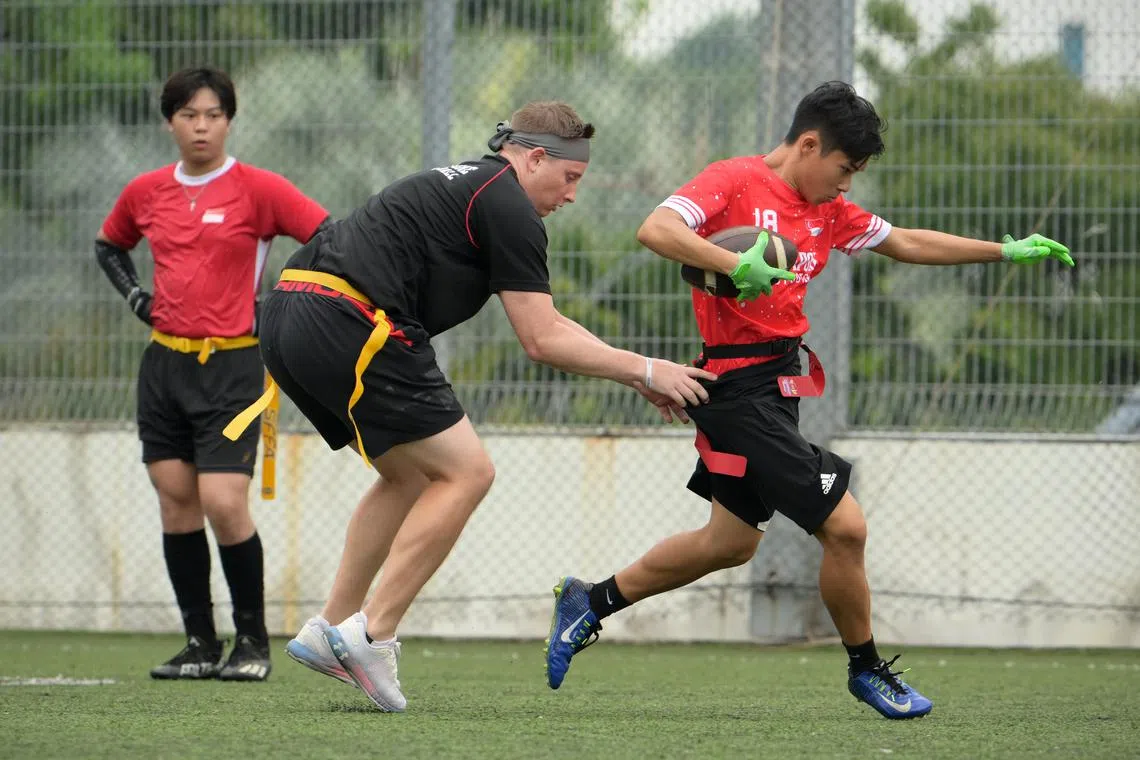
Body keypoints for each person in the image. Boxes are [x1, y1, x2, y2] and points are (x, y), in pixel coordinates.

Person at [543, 81, 1073, 719]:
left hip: (776, 384)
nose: (846, 185)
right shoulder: (733, 180)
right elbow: (656, 228)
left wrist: (1004, 250)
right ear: (810, 144)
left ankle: (589, 601)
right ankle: (867, 669)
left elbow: (904, 242)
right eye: (844, 169)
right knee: (846, 527)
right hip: (737, 392)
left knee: (729, 542)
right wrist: (731, 265)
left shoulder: (830, 211)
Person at [232, 101, 715, 712]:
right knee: (469, 473)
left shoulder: (478, 186)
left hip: (291, 315)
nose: (572, 195)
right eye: (569, 178)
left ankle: (331, 626)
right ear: (534, 158)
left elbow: (548, 320)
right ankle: (370, 634)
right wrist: (648, 369)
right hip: (353, 320)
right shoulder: (508, 203)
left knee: (409, 476)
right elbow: (541, 340)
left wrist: (635, 372)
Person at [96, 66, 331, 681]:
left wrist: (283, 300)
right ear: (169, 122)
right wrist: (136, 297)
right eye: (188, 115)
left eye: (213, 115)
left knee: (223, 501)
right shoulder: (146, 190)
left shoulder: (258, 188)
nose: (201, 126)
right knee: (176, 501)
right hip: (164, 366)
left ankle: (252, 644)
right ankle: (200, 644)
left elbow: (328, 235)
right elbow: (109, 245)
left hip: (234, 367)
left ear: (229, 121)